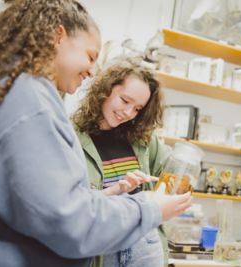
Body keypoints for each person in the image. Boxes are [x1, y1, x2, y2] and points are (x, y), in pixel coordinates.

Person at [0, 1, 191, 267]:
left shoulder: (26, 93)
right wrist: (151, 207)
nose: (90, 70)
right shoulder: (33, 102)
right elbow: (69, 221)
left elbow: (56, 203)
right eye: (90, 56)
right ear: (58, 36)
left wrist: (113, 193)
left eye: (138, 108)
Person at [72, 59, 171, 267]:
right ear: (105, 90)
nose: (128, 113)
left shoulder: (143, 139)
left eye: (137, 109)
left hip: (146, 242)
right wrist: (116, 190)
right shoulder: (71, 136)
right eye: (125, 101)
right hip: (104, 245)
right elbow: (71, 205)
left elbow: (171, 173)